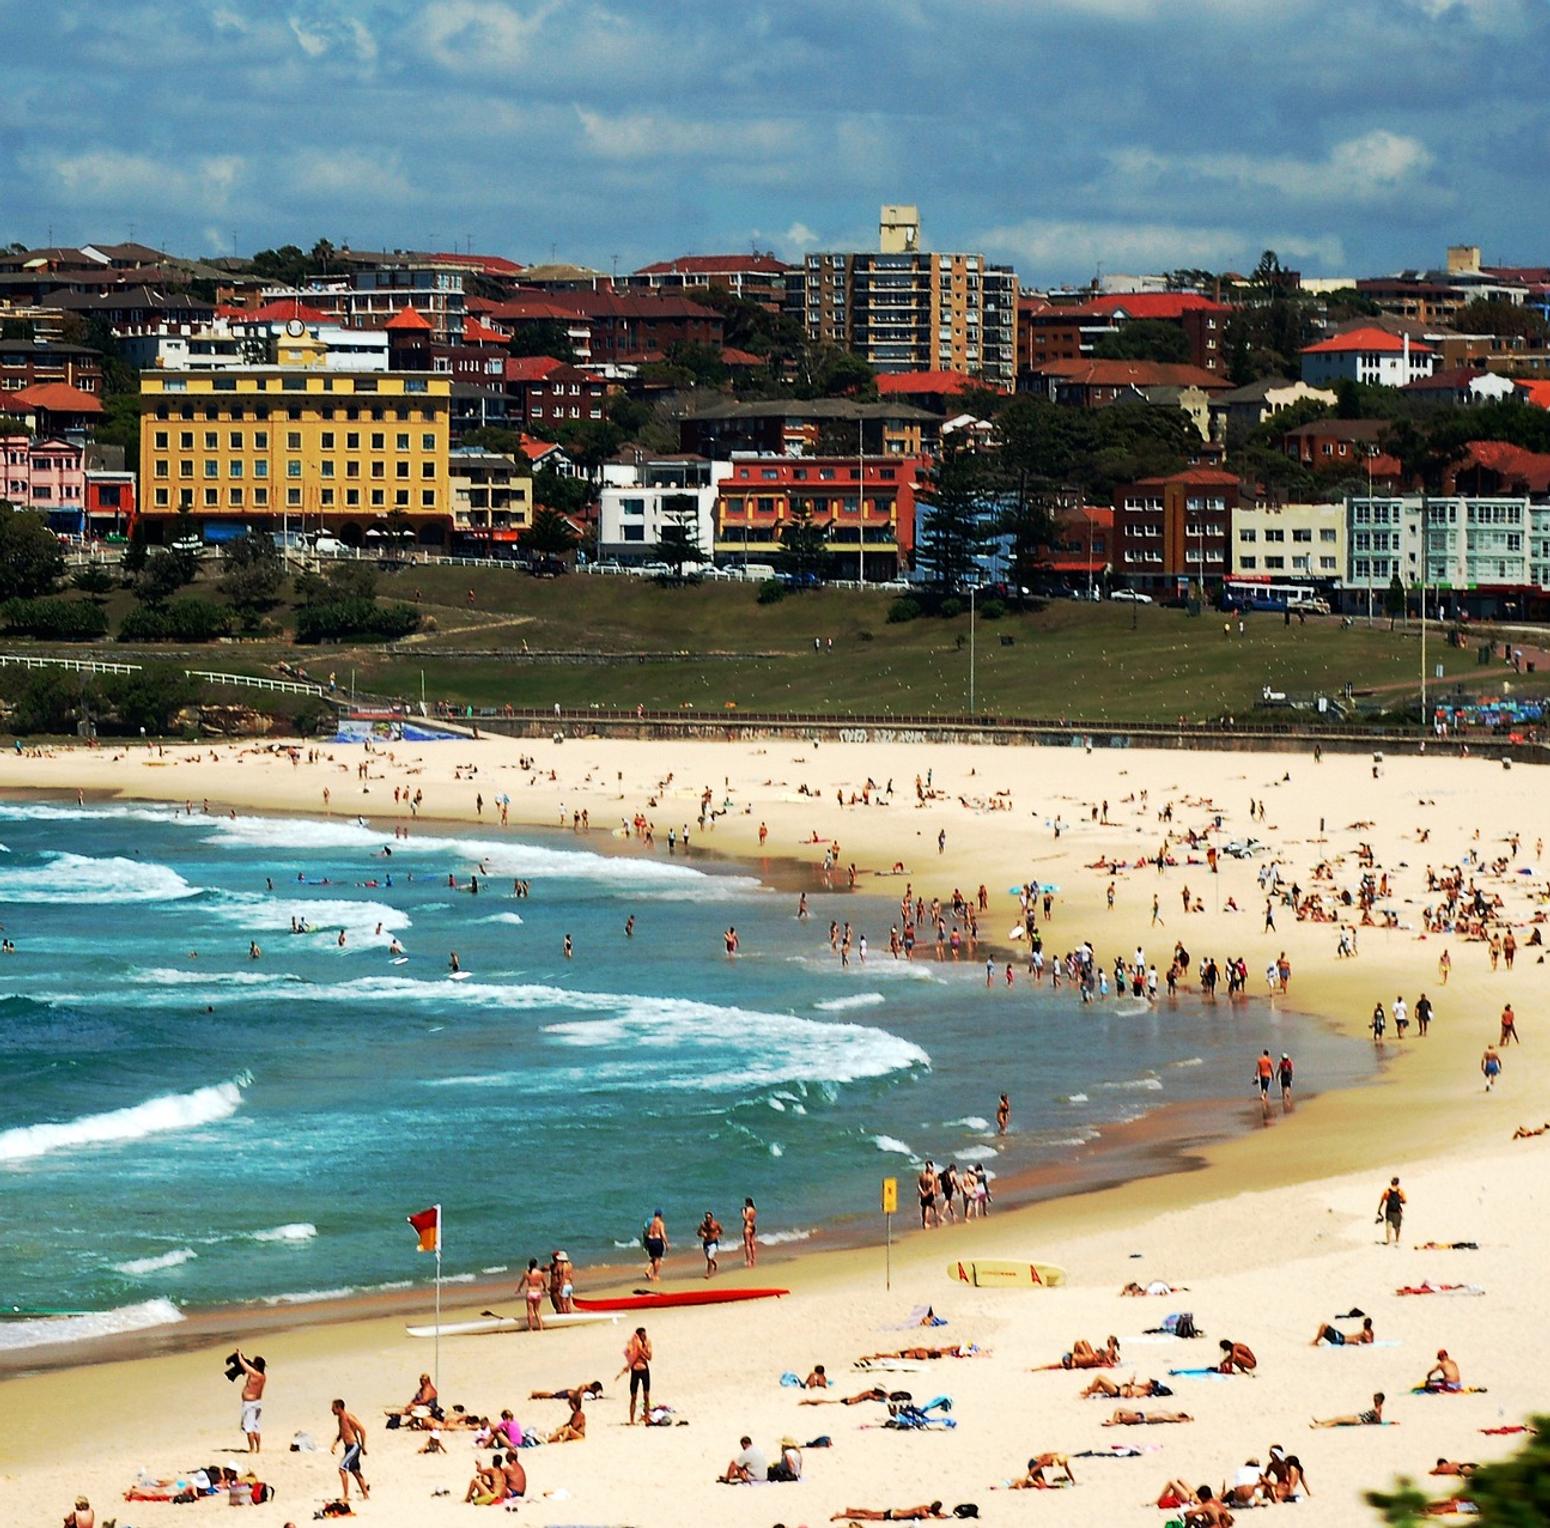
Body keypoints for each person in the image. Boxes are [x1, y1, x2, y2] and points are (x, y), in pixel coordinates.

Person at [330, 1398, 369, 1501]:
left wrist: (364, 1446)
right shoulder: (340, 1419)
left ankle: (345, 1496)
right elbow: (342, 1433)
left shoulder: (348, 1417)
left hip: (354, 1447)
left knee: (342, 1469)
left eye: (333, 1408)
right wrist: (334, 1444)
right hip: (348, 1447)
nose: (331, 1410)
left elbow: (362, 1430)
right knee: (355, 1470)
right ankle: (366, 1495)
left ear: (339, 1408)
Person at [235, 1350, 266, 1453]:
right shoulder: (263, 1376)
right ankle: (258, 1448)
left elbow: (243, 1364)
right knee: (256, 1427)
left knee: (249, 1427)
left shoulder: (254, 1374)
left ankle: (252, 1449)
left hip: (249, 1403)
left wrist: (239, 1355)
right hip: (258, 1402)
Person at [620, 1326, 652, 1424]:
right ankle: (631, 1420)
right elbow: (630, 1356)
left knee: (646, 1395)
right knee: (633, 1396)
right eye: (643, 1335)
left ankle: (647, 1417)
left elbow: (649, 1357)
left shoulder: (648, 1343)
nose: (645, 1336)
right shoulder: (633, 1345)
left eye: (645, 1334)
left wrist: (640, 1350)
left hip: (644, 1369)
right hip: (635, 1371)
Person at [1311, 1391, 1386, 1427]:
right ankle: (1320, 1422)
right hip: (1357, 1417)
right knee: (1338, 1418)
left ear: (1380, 1400)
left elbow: (1378, 1421)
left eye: (1376, 1400)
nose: (1374, 1401)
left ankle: (1319, 1426)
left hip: (1358, 1420)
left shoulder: (1379, 1409)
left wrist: (1366, 1423)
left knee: (1338, 1422)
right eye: (1374, 1399)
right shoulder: (1376, 1408)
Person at [1009, 1453, 1076, 1488]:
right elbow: (1034, 1468)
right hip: (1033, 1464)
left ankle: (1026, 1482)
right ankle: (1019, 1482)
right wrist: (1025, 1479)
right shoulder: (1048, 1460)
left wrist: (1073, 1480)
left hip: (1037, 1466)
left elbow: (1067, 1469)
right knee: (1042, 1486)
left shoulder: (1062, 1459)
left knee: (1042, 1485)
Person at [831, 1504, 946, 1521]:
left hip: (895, 1512)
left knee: (871, 1512)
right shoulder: (923, 1512)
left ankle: (851, 1510)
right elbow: (929, 1518)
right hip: (892, 1515)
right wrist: (938, 1517)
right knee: (868, 1517)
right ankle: (842, 1515)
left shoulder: (925, 1507)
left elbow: (935, 1514)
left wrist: (940, 1515)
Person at [1379, 1177, 1406, 1245]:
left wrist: (1379, 1210)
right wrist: (1399, 1201)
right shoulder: (1400, 1191)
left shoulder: (1386, 1191)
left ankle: (1388, 1241)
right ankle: (1397, 1240)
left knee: (1388, 1226)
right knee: (1397, 1227)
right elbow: (1405, 1201)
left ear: (1391, 1182)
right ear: (1398, 1183)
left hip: (1389, 1211)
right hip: (1397, 1211)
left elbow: (1382, 1201)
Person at [522, 1257, 547, 1330]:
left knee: (530, 1311)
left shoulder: (526, 1273)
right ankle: (541, 1327)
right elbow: (544, 1284)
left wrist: (518, 1289)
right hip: (538, 1292)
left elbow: (521, 1283)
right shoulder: (540, 1273)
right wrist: (545, 1289)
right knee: (537, 1310)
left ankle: (530, 1328)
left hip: (530, 1292)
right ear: (536, 1264)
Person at [643, 1208, 668, 1281]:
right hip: (657, 1241)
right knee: (658, 1259)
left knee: (653, 1258)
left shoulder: (651, 1222)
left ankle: (648, 1270)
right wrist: (666, 1243)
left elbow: (647, 1232)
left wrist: (645, 1242)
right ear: (660, 1215)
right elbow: (662, 1234)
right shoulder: (660, 1223)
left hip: (650, 1240)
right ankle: (655, 1275)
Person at [698, 1209, 723, 1278]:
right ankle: (714, 1263)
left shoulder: (715, 1224)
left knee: (709, 1257)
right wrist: (702, 1234)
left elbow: (721, 1231)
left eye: (709, 1218)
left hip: (713, 1243)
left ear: (712, 1218)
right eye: (706, 1218)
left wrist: (717, 1234)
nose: (708, 1219)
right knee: (709, 1258)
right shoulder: (703, 1224)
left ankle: (708, 1273)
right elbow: (698, 1233)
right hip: (706, 1243)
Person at [742, 1197, 758, 1266]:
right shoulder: (753, 1210)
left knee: (747, 1244)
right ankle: (754, 1259)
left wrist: (743, 1213)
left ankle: (749, 1260)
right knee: (752, 1243)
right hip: (753, 1225)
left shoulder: (746, 1210)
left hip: (747, 1226)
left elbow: (745, 1219)